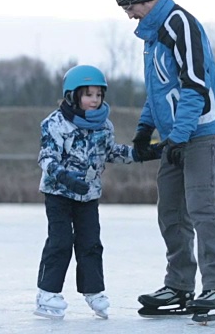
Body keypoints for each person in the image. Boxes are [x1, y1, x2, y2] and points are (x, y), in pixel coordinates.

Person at [115, 0, 215, 323]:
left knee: (203, 208)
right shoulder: (152, 37)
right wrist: (144, 130)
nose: (128, 15)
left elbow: (195, 86)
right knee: (170, 211)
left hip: (202, 133)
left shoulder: (179, 24)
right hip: (177, 137)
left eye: (129, 6)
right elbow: (158, 93)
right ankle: (179, 286)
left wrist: (181, 135)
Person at [34, 64, 160, 320]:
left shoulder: (104, 125)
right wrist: (65, 178)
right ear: (73, 96)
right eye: (88, 94)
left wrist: (139, 153)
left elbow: (110, 152)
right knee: (60, 241)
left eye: (99, 95)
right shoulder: (54, 123)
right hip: (59, 194)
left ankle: (92, 291)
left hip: (88, 196)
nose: (94, 100)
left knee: (90, 243)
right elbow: (46, 158)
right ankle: (47, 293)